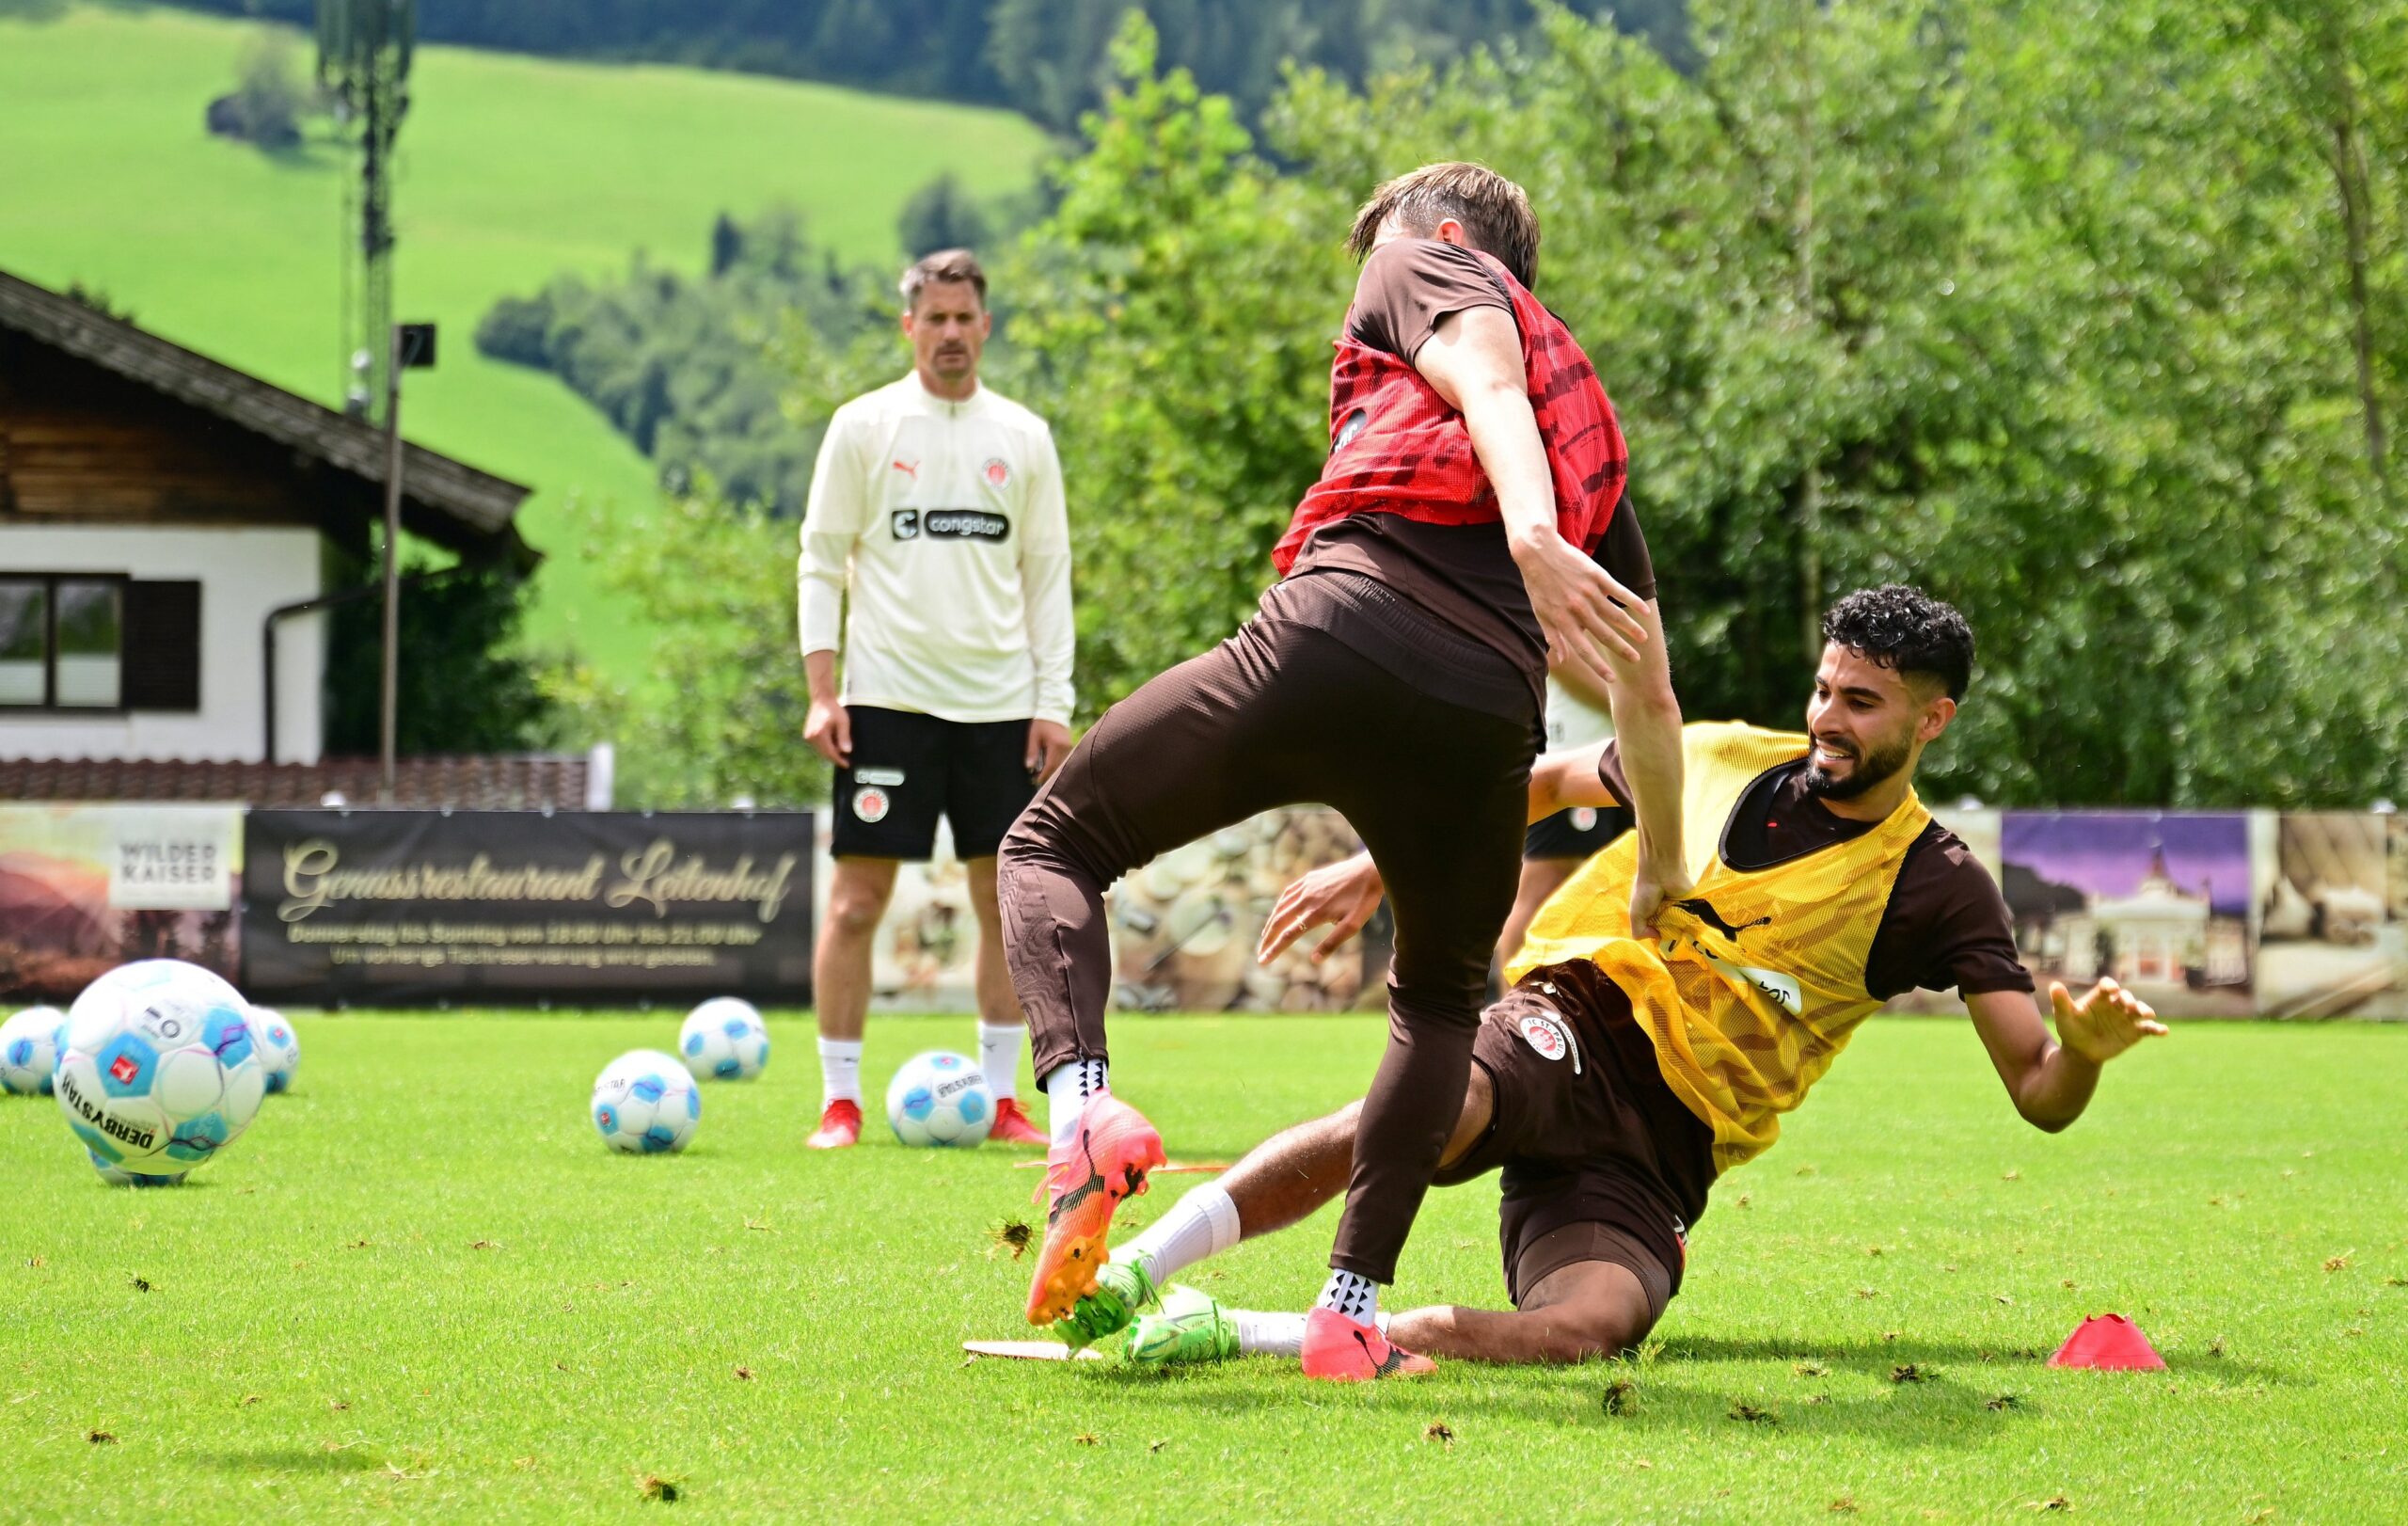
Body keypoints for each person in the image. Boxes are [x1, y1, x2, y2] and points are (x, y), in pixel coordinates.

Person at [1048, 585, 2167, 1372]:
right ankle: (1139, 1263)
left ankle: (1233, 1329)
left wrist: (2085, 1056)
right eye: (1825, 689)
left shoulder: (1938, 884)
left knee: (1590, 1324)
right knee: (1440, 1103)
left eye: (1862, 703)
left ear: (1933, 721)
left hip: (1671, 1144)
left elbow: (2036, 1088)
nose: (1828, 718)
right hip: (1581, 1011)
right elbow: (1542, 780)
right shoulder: (1716, 751)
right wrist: (1368, 865)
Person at [998, 161, 1689, 1379]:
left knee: (1053, 842)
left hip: (1344, 629)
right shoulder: (1590, 427)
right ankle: (1349, 1309)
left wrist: (1527, 534)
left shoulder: (1425, 253)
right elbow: (1649, 684)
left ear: (1452, 237)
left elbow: (1480, 368)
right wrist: (1665, 868)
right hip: (1487, 716)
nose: (1365, 295)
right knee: (1438, 1005)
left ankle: (1085, 1112)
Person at [797, 248, 1073, 1151]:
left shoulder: (1024, 436)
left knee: (1007, 905)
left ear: (985, 327)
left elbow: (1047, 577)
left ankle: (1000, 1100)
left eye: (965, 318)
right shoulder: (865, 426)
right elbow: (818, 559)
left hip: (1000, 708)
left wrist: (1053, 700)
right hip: (885, 703)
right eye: (935, 318)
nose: (951, 334)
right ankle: (840, 1101)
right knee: (855, 903)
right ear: (908, 326)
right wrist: (822, 690)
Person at [1497, 642, 1631, 980]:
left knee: (1608, 882)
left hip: (1612, 753)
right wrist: (1629, 700)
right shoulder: (1561, 587)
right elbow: (1556, 651)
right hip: (1570, 752)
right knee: (1544, 880)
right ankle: (1505, 1010)